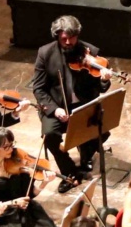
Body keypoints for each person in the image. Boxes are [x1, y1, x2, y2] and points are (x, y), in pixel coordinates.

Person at [29, 14, 106, 186]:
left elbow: (100, 88)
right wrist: (54, 109)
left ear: (77, 35)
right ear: (57, 36)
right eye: (64, 39)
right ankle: (70, 171)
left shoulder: (91, 52)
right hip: (56, 106)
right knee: (49, 135)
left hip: (84, 105)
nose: (69, 42)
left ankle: (86, 154)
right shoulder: (45, 53)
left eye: (72, 38)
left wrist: (104, 80)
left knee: (103, 129)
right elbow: (38, 88)